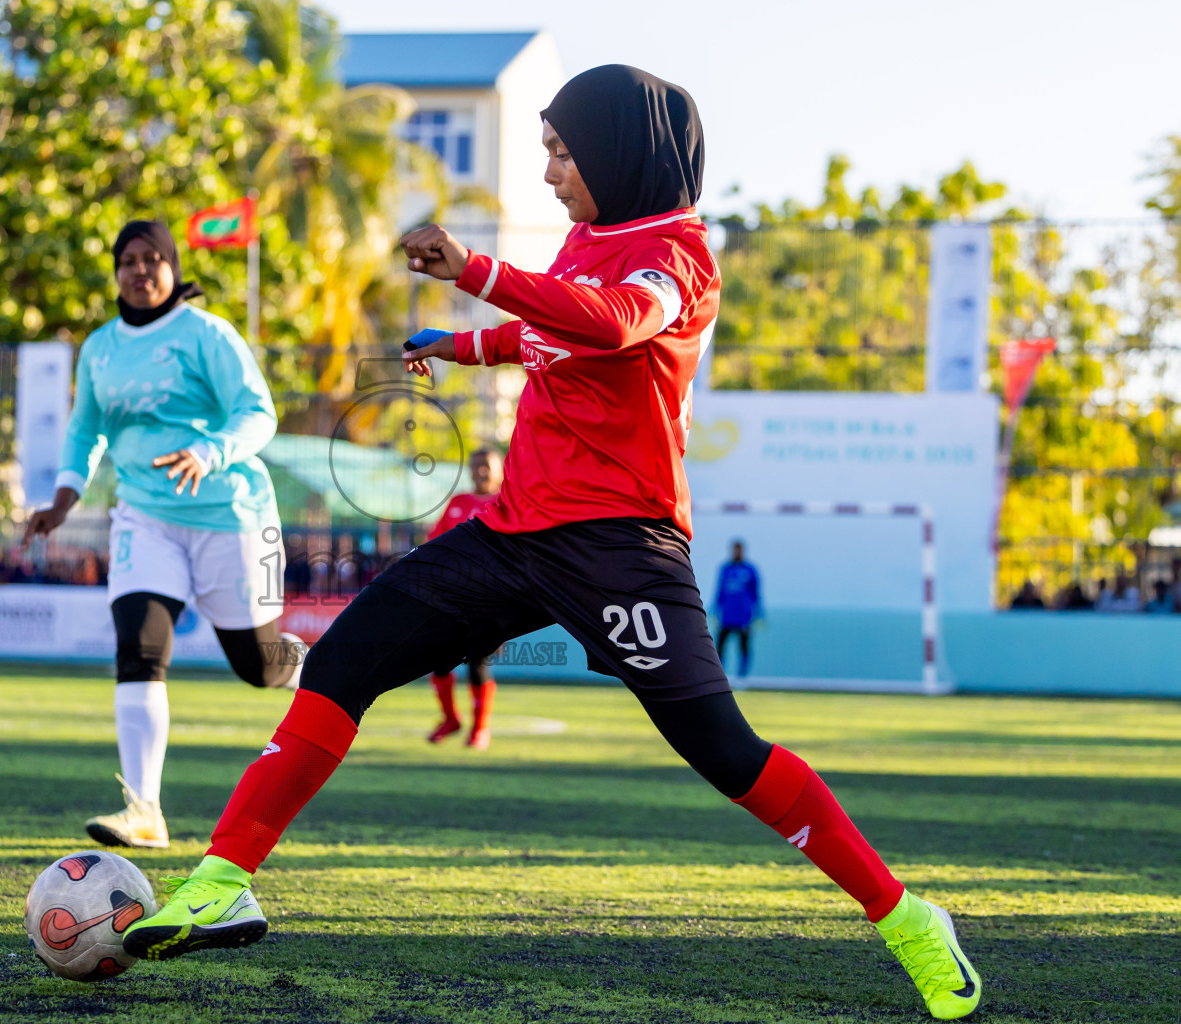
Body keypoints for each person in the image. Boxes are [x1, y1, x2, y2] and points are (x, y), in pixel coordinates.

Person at [121, 67, 982, 1021]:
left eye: (564, 153)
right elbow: (546, 336)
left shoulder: (681, 254)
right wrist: (459, 344)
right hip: (512, 531)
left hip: (620, 546)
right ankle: (224, 881)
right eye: (546, 152)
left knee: (724, 750)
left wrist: (476, 273)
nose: (550, 173)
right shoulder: (585, 240)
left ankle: (909, 918)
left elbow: (612, 325)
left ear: (620, 151)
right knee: (342, 662)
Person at [22, 218, 303, 851]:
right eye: (128, 260)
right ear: (116, 272)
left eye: (152, 258)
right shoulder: (100, 348)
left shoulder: (207, 334)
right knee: (139, 647)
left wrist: (210, 451)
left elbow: (259, 413)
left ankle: (314, 662)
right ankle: (144, 810)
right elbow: (85, 429)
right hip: (144, 518)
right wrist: (63, 498)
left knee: (260, 668)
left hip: (233, 514)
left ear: (173, 268)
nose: (140, 270)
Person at [426, 448, 503, 748]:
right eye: (475, 465)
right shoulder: (458, 502)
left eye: (486, 465)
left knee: (477, 662)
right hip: (453, 598)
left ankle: (480, 730)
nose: (480, 471)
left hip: (490, 599)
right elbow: (436, 541)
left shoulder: (507, 502)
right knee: (439, 661)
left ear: (499, 470)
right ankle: (451, 719)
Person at [712, 540, 761, 677]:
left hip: (744, 617)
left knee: (743, 647)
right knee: (720, 646)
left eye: (739, 550)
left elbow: (756, 594)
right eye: (734, 550)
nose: (736, 552)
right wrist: (715, 611)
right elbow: (719, 592)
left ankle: (742, 676)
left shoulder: (750, 570)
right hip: (726, 617)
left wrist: (758, 614)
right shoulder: (725, 569)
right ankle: (719, 675)